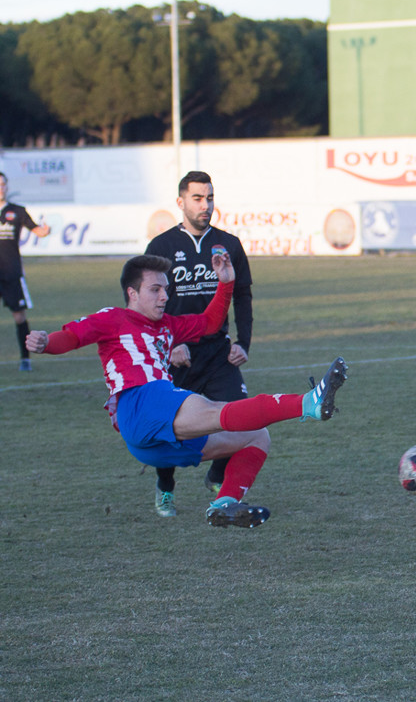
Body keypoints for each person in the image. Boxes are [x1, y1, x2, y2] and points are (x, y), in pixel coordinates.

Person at [25, 253, 348, 529]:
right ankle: (309, 403)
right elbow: (72, 337)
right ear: (132, 293)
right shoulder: (113, 318)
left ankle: (224, 505)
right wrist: (45, 343)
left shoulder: (168, 325)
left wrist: (225, 283)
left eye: (165, 289)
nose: (164, 296)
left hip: (151, 446)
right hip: (140, 401)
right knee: (216, 410)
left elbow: (209, 323)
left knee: (256, 436)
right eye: (155, 289)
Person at [142, 170, 254, 519]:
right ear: (181, 202)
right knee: (169, 426)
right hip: (176, 355)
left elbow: (243, 295)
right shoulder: (161, 247)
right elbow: (145, 304)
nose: (206, 205)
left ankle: (218, 477)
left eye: (210, 198)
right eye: (197, 198)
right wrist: (168, 345)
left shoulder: (229, 243)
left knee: (240, 416)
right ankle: (165, 487)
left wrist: (243, 342)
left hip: (218, 352)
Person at [0, 171, 51, 372]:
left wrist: (45, 231)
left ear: (7, 187)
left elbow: (37, 230)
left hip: (11, 272)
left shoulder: (17, 211)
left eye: (3, 184)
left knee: (19, 317)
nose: (0, 188)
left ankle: (25, 359)